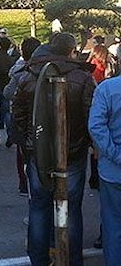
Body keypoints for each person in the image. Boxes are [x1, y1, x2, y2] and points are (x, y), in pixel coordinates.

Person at [13, 32, 96, 266]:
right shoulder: (82, 77)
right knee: (71, 209)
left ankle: (39, 260)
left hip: (38, 154)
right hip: (73, 154)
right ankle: (72, 260)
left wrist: (30, 142)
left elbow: (17, 113)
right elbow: (90, 116)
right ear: (72, 51)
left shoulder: (29, 75)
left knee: (39, 207)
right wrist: (85, 143)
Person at [88, 73, 121, 265]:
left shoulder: (106, 89)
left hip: (112, 171)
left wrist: (115, 154)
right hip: (111, 169)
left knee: (113, 225)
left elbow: (96, 126)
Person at [2, 37, 41, 195]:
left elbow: (8, 93)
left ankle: (24, 183)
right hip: (42, 116)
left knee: (23, 152)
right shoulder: (47, 69)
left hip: (21, 118)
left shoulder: (18, 73)